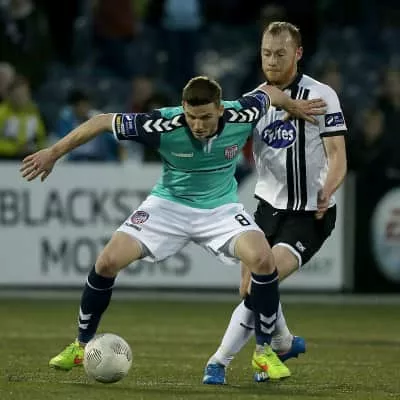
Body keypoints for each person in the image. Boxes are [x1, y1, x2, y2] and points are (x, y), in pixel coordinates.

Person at [20, 76, 325, 380]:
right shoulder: (162, 125)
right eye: (191, 117)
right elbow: (101, 121)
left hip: (220, 209)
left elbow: (270, 92)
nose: (198, 125)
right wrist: (52, 153)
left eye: (205, 117)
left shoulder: (243, 113)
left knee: (263, 259)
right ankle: (80, 345)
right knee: (107, 262)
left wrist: (293, 105)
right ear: (182, 109)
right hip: (168, 206)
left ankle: (263, 352)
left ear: (220, 109)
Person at [203, 21, 347, 385]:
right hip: (266, 210)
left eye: (280, 54)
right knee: (248, 288)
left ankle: (220, 361)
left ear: (298, 53)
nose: (271, 60)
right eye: (266, 53)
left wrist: (328, 189)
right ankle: (283, 340)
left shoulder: (322, 96)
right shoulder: (255, 100)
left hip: (309, 213)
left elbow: (338, 155)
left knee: (259, 283)